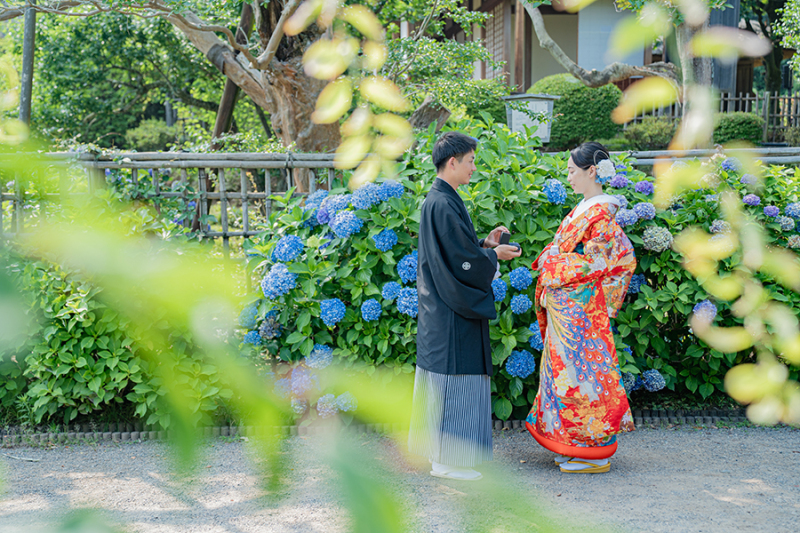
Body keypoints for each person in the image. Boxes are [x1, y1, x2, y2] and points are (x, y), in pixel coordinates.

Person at [408, 131, 522, 481]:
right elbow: (461, 260)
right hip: (450, 309)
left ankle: (442, 457)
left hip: (442, 307)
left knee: (446, 381)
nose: (474, 167)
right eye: (471, 160)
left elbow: (459, 249)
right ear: (453, 161)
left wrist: (484, 245)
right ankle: (448, 460)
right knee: (454, 380)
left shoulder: (442, 199)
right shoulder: (442, 202)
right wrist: (491, 256)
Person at [525, 142, 636, 474]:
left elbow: (596, 262)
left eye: (573, 171)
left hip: (581, 310)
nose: (569, 177)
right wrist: (551, 258)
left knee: (583, 377)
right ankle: (572, 446)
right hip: (568, 308)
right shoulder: (586, 208)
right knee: (564, 376)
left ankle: (595, 452)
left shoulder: (601, 212)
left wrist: (552, 263)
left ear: (591, 171)